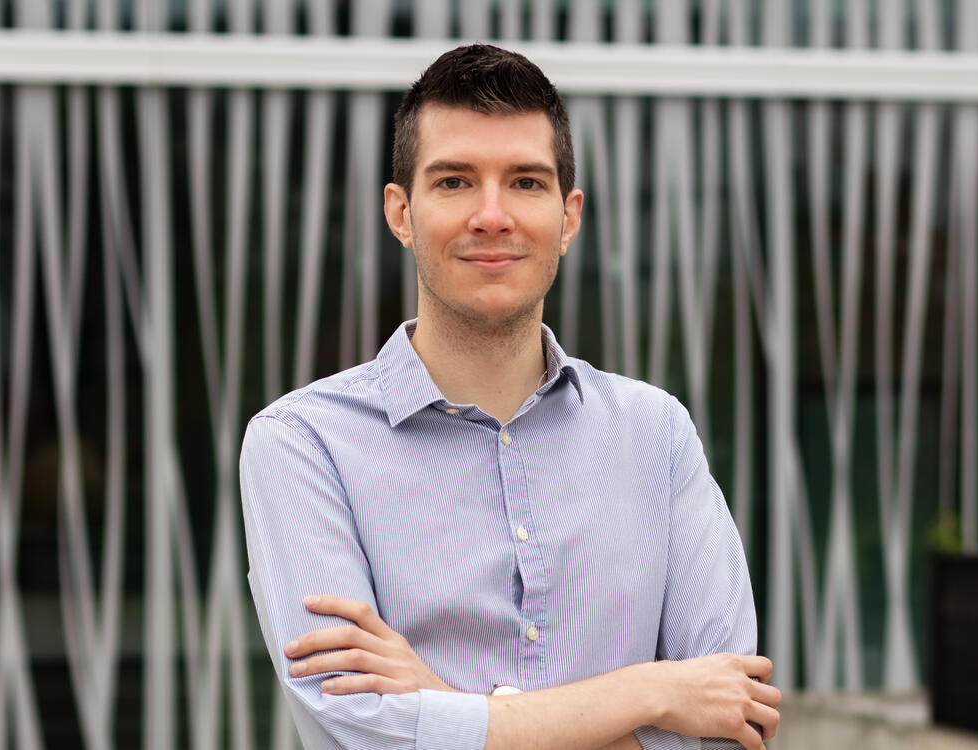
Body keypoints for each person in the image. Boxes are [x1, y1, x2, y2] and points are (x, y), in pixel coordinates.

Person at [239, 43, 780, 750]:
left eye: (525, 182)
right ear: (400, 213)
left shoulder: (657, 435)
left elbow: (728, 726)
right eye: (456, 181)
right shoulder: (302, 444)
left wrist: (441, 707)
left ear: (569, 216)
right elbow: (364, 735)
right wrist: (649, 692)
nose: (492, 216)